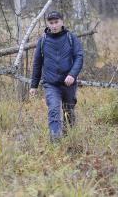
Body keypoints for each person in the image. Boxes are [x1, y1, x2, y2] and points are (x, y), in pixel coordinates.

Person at [29, 11, 83, 142]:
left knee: (69, 112)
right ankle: (55, 141)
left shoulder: (71, 38)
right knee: (53, 110)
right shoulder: (43, 41)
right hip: (51, 84)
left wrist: (72, 74)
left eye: (56, 22)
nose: (54, 26)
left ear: (62, 22)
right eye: (51, 23)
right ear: (48, 24)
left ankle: (70, 137)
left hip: (68, 83)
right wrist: (33, 86)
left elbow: (79, 57)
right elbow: (37, 63)